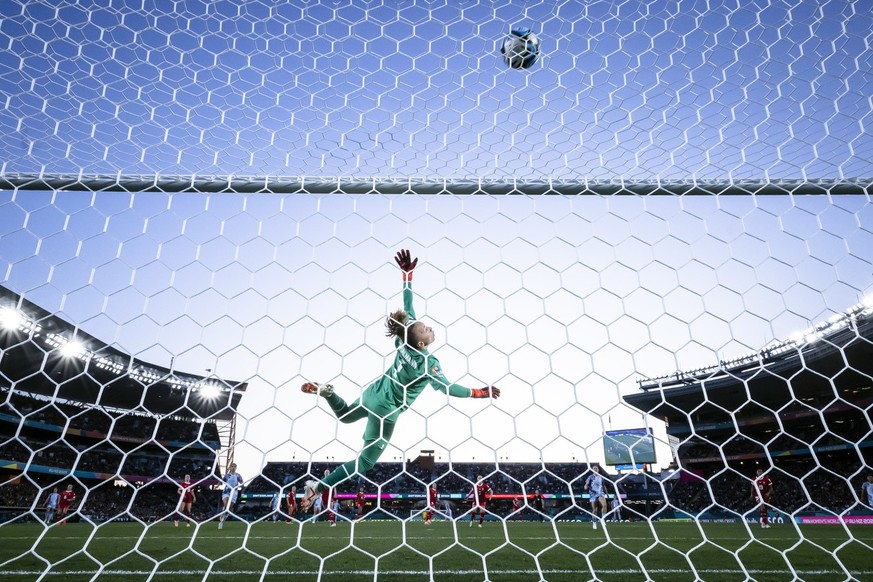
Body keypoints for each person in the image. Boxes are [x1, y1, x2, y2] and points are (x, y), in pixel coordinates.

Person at [300, 249, 500, 509]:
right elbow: (448, 388)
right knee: (366, 463)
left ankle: (328, 393)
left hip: (373, 392)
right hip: (386, 409)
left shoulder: (404, 340)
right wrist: (479, 392)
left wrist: (407, 275)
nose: (428, 327)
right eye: (425, 328)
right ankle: (319, 487)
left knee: (346, 415)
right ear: (420, 341)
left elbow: (408, 306)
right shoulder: (429, 363)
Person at [218, 463, 243, 530]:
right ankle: (222, 514)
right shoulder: (227, 475)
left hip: (234, 492)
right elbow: (221, 481)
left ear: (236, 468)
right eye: (232, 466)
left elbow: (242, 483)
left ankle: (222, 521)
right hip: (227, 491)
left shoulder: (238, 476)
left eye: (234, 466)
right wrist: (218, 485)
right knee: (226, 504)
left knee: (229, 508)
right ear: (229, 468)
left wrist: (241, 485)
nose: (233, 467)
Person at [584, 466, 607, 530]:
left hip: (600, 493)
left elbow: (604, 486)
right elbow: (586, 484)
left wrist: (607, 493)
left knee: (604, 505)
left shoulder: (601, 477)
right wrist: (585, 486)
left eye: (596, 468)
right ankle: (594, 522)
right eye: (594, 468)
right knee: (595, 509)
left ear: (598, 470)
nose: (595, 469)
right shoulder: (590, 477)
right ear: (592, 470)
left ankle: (602, 519)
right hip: (593, 494)